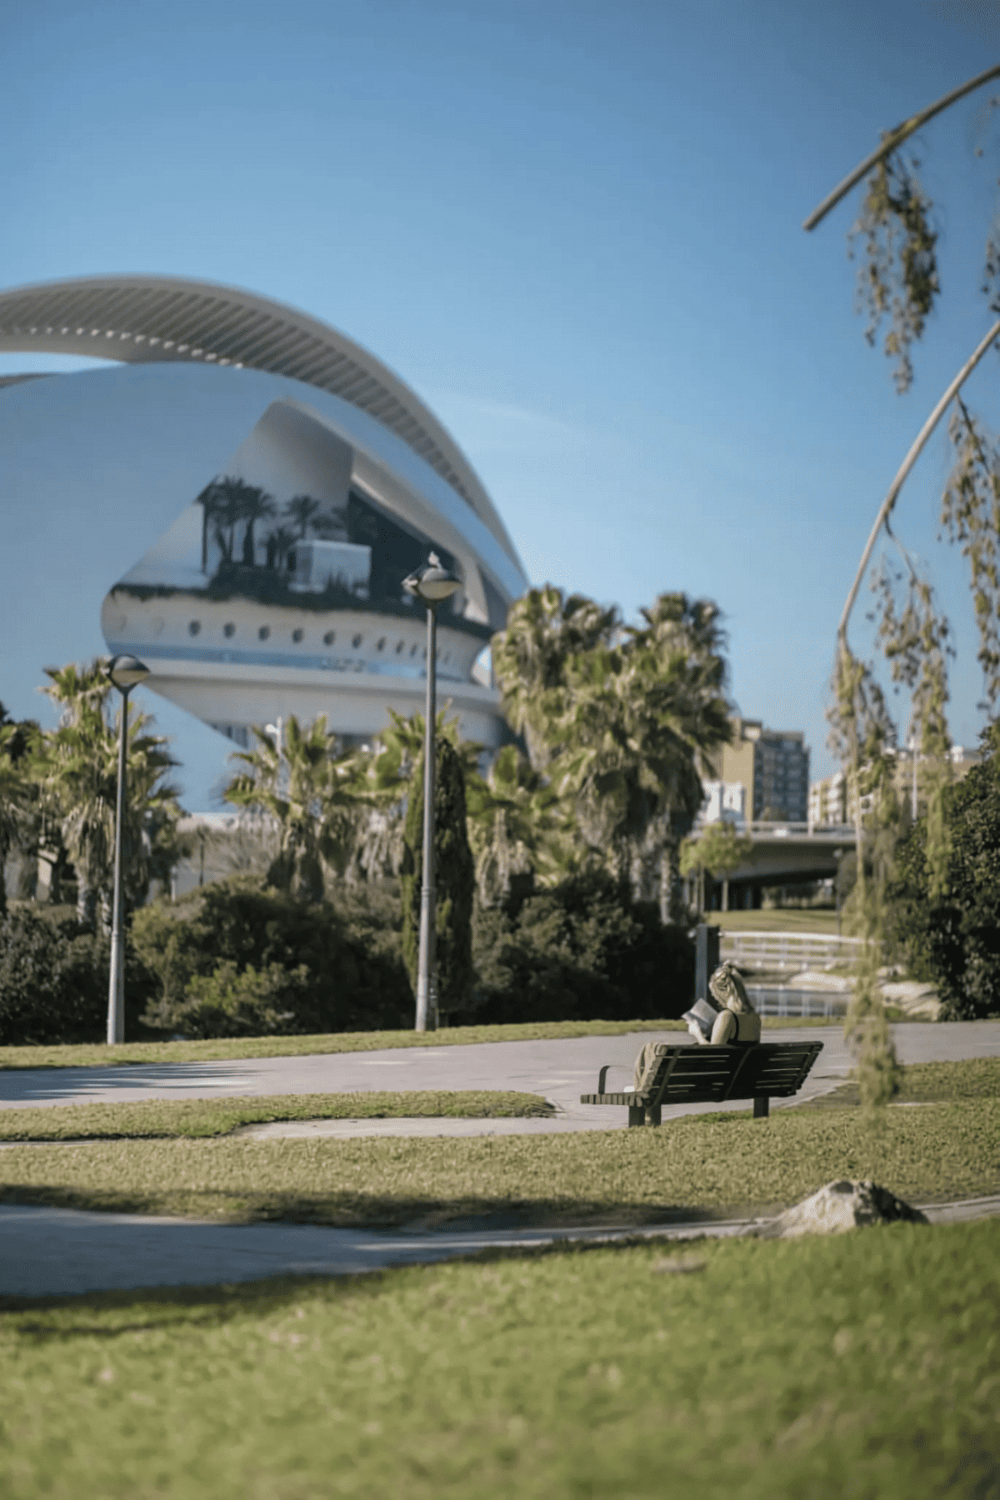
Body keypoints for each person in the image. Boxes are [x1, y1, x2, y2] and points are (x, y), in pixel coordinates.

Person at [687, 961, 761, 1046]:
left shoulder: (726, 1016)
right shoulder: (755, 1017)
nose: (716, 998)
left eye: (715, 994)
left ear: (725, 992)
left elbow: (714, 1052)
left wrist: (697, 1033)